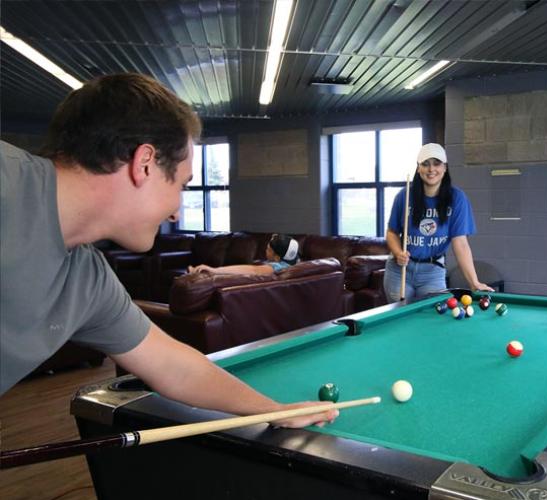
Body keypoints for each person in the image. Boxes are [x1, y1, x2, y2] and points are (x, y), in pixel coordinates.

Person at [0, 73, 338, 427]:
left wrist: (274, 410)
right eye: (181, 184)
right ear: (144, 163)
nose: (177, 210)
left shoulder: (88, 281)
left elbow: (174, 367)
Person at [383, 143, 494, 302]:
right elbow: (392, 232)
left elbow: (460, 243)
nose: (431, 169)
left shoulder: (457, 199)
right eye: (425, 164)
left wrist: (474, 282)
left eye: (436, 163)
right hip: (400, 271)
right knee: (401, 319)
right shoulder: (404, 195)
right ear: (418, 168)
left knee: (432, 318)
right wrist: (398, 252)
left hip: (432, 272)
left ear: (445, 167)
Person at [189, 234, 299, 275]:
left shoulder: (278, 268)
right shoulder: (296, 264)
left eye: (269, 249)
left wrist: (215, 270)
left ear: (277, 257)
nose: (265, 250)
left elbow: (253, 270)